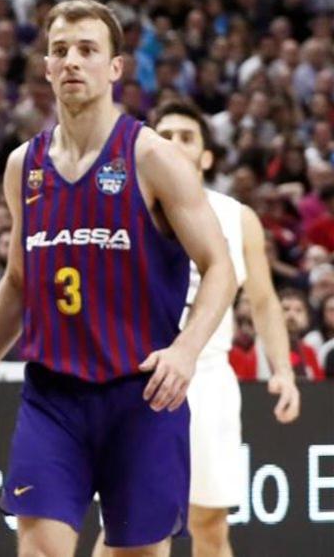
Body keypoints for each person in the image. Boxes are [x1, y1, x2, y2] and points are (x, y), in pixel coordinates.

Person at [0, 0, 237, 557]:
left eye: (87, 50)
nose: (71, 60)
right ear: (46, 68)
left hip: (142, 394)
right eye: (59, 51)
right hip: (53, 396)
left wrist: (186, 350)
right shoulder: (22, 166)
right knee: (42, 550)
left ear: (115, 68)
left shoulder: (155, 159)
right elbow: (19, 282)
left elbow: (221, 266)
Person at [93, 101, 301, 557]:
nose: (173, 143)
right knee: (127, 530)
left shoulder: (236, 217)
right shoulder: (121, 209)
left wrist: (282, 370)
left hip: (207, 378)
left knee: (209, 525)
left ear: (207, 157)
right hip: (137, 378)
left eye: (187, 136)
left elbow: (263, 301)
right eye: (164, 134)